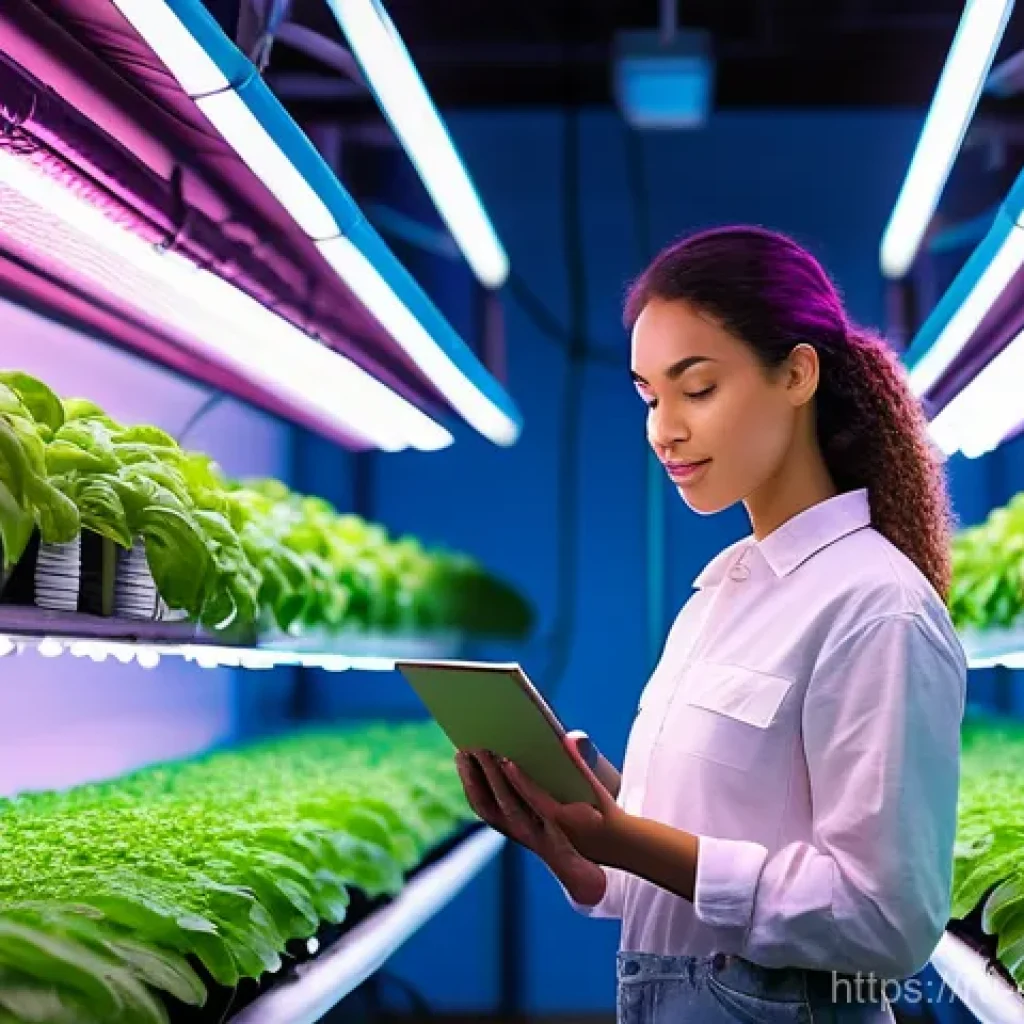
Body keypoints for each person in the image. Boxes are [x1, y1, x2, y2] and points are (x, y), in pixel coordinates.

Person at [455, 226, 967, 1023]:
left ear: (797, 373)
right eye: (649, 397)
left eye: (696, 389)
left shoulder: (876, 606)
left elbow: (886, 925)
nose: (665, 428)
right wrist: (576, 846)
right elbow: (675, 889)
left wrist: (632, 841)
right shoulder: (720, 594)